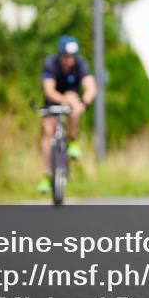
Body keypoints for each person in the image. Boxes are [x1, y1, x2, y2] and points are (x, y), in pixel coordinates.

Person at [37, 35, 97, 194]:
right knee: (48, 132)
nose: (70, 60)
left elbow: (91, 87)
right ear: (60, 54)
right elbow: (49, 90)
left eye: (72, 56)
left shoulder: (81, 64)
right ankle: (46, 175)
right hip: (54, 99)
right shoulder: (51, 63)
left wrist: (84, 102)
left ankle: (73, 141)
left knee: (73, 102)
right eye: (66, 56)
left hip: (73, 100)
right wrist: (64, 101)